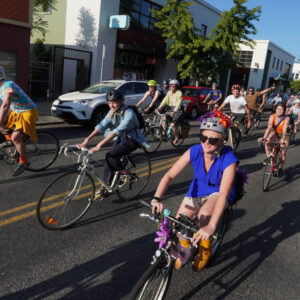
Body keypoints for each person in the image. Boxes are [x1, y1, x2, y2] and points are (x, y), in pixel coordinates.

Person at [151, 111, 238, 271]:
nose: (207, 143)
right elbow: (169, 175)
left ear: (222, 140)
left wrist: (211, 226)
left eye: (213, 140)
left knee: (203, 220)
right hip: (197, 190)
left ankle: (205, 251)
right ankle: (185, 249)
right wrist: (157, 198)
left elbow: (223, 193)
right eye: (203, 138)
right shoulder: (195, 150)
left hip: (218, 192)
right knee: (179, 225)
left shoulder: (228, 158)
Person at [78, 89, 149, 194]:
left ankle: (127, 173)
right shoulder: (112, 112)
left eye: (114, 102)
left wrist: (99, 145)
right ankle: (104, 187)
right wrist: (87, 139)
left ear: (120, 102)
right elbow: (102, 125)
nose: (111, 105)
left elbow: (118, 130)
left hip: (132, 139)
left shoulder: (129, 113)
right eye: (109, 103)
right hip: (121, 138)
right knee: (109, 161)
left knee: (110, 155)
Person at [0, 66, 38, 176]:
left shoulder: (8, 85)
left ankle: (24, 161)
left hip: (28, 112)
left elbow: (6, 104)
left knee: (15, 137)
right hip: (16, 110)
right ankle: (13, 143)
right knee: (2, 124)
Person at [258, 102, 290, 177]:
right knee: (267, 141)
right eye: (278, 109)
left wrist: (282, 139)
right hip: (275, 132)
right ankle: (269, 158)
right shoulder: (272, 116)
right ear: (275, 109)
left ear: (284, 110)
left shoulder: (287, 118)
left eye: (281, 109)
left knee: (283, 150)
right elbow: (269, 127)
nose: (279, 111)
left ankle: (280, 168)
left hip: (285, 134)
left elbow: (285, 129)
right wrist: (264, 137)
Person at [156, 79, 184, 144]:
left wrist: (174, 111)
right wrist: (159, 107)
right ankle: (163, 133)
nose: (172, 87)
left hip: (178, 109)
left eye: (173, 86)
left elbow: (179, 103)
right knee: (164, 118)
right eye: (171, 86)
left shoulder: (179, 93)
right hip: (171, 108)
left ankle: (176, 137)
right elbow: (165, 100)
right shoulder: (169, 93)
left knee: (173, 124)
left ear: (176, 86)